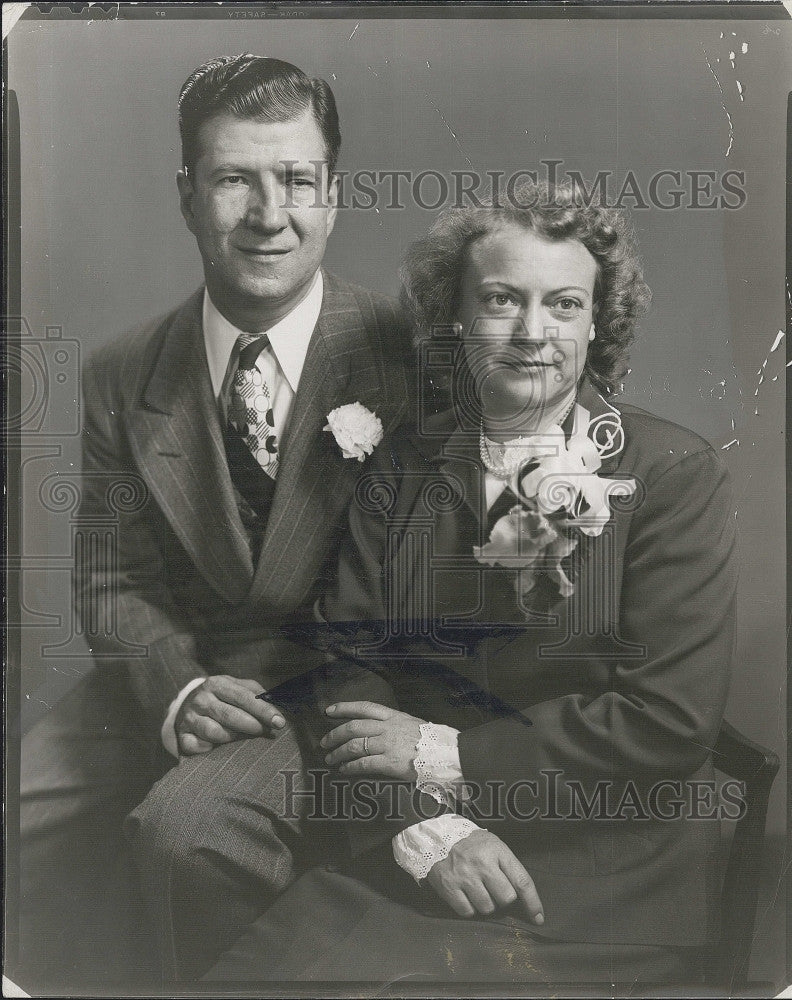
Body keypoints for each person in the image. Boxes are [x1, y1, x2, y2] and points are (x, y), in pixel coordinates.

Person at [205, 178, 738, 984]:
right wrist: (426, 831)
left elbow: (666, 720)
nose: (533, 333)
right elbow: (352, 665)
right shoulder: (403, 463)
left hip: (603, 874)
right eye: (500, 300)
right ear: (455, 318)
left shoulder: (672, 474)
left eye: (563, 305)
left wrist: (442, 750)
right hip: (426, 847)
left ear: (599, 322)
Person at [18, 54, 413, 986]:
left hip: (341, 691)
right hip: (191, 675)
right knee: (21, 805)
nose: (269, 217)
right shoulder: (124, 371)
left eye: (297, 181)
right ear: (188, 195)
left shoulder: (410, 354)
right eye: (235, 179)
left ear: (335, 193)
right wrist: (176, 691)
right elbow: (111, 581)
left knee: (181, 838)